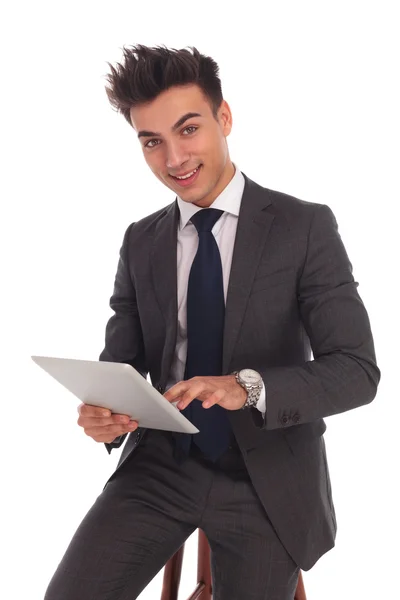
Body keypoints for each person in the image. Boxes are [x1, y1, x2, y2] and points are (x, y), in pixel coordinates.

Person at [44, 44, 380, 600]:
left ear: (224, 119)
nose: (174, 158)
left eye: (188, 129)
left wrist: (244, 388)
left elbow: (356, 370)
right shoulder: (141, 240)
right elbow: (122, 363)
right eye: (152, 141)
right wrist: (105, 411)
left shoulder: (303, 227)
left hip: (266, 478)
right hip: (160, 466)